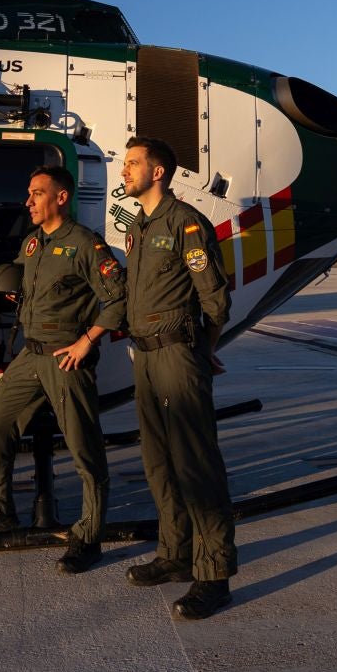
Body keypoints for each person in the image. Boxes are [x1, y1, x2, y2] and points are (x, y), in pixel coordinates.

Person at [0, 165, 126, 574]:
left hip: (64, 358)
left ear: (61, 197)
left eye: (37, 193)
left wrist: (86, 340)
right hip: (29, 356)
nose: (28, 201)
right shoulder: (33, 244)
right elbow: (25, 288)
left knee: (83, 448)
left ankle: (89, 536)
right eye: (29, 192)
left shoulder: (85, 245)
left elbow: (119, 297)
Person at [118, 136, 237, 619]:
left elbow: (215, 300)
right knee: (159, 463)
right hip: (145, 358)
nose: (124, 171)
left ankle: (214, 575)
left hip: (177, 355)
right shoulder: (139, 227)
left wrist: (200, 352)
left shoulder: (185, 222)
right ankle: (175, 554)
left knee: (196, 466)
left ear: (159, 171)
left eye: (132, 164)